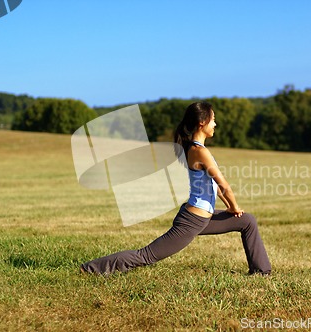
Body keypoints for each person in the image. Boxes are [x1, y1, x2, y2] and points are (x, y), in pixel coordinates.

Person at [80, 102, 271, 275]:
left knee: (247, 221)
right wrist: (235, 207)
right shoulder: (199, 152)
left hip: (204, 217)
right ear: (202, 122)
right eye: (213, 120)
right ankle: (90, 269)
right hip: (192, 221)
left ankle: (261, 272)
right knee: (146, 256)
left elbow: (216, 187)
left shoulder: (198, 150)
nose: (216, 124)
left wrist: (230, 208)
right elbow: (224, 185)